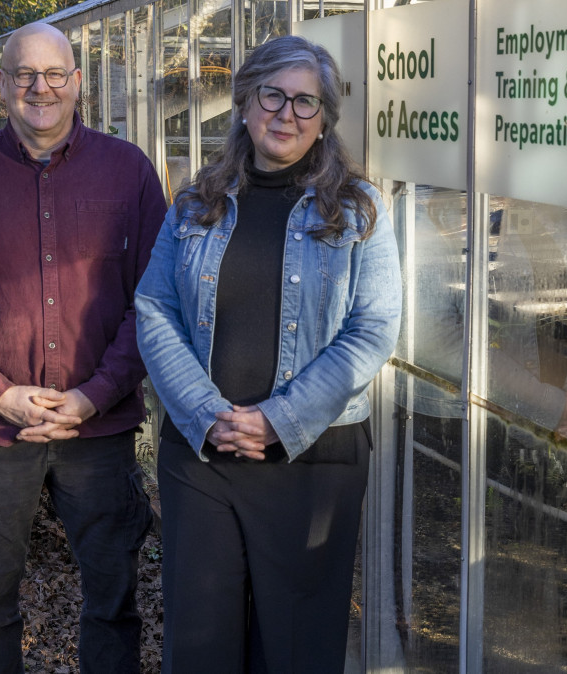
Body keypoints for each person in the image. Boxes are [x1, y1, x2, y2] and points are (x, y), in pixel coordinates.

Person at [135, 35, 402, 673]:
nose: (287, 113)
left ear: (325, 119)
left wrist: (278, 420)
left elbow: (373, 328)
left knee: (296, 649)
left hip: (314, 461)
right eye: (272, 95)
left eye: (305, 102)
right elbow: (153, 308)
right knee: (199, 647)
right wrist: (207, 413)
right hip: (203, 455)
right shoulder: (196, 204)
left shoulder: (360, 213)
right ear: (246, 104)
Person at [0, 22, 166, 674]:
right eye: (24, 74)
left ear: (77, 81)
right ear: (2, 86)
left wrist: (92, 395)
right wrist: (0, 395)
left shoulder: (128, 171)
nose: (40, 87)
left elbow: (156, 300)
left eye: (55, 73)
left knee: (113, 603)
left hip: (99, 432)